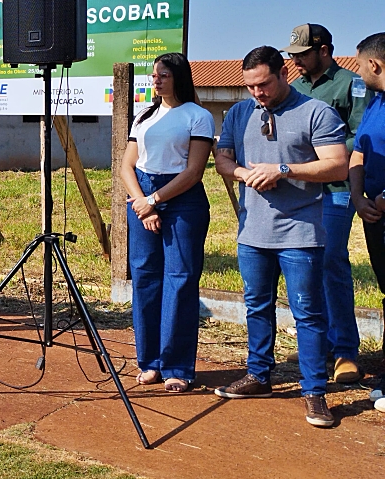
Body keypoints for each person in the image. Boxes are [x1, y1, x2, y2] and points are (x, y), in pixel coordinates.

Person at [213, 46, 348, 428]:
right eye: (251, 86)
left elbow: (336, 163)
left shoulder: (315, 112)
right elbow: (222, 159)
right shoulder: (240, 113)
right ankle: (258, 376)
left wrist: (283, 170)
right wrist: (242, 174)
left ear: (284, 72)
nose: (258, 93)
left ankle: (314, 392)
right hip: (252, 230)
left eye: (265, 84)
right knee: (256, 306)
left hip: (301, 232)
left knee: (307, 313)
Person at [119, 53, 213, 393]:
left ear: (178, 77)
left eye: (163, 75)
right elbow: (127, 165)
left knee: (180, 280)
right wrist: (142, 203)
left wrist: (155, 201)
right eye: (154, 75)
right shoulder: (144, 115)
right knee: (145, 278)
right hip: (141, 197)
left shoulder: (198, 116)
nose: (156, 80)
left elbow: (194, 171)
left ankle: (177, 366)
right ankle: (150, 362)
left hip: (182, 200)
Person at [282, 24, 367, 383]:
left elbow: (360, 136)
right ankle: (320, 346)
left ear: (325, 50)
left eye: (302, 54)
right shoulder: (293, 88)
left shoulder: (351, 84)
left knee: (331, 260)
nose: (296, 61)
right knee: (306, 265)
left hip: (336, 187)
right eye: (292, 55)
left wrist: (322, 154)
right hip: (299, 190)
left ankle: (345, 350)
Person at [347, 32, 385, 412]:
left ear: (374, 65)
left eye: (359, 64)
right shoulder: (375, 102)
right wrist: (358, 197)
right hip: (374, 215)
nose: (358, 71)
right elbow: (358, 151)